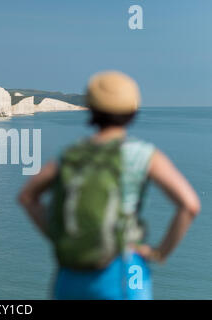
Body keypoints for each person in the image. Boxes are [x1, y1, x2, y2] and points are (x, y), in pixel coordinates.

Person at [18, 71, 201, 300]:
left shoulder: (70, 155)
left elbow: (27, 197)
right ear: (133, 111)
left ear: (92, 110)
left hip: (70, 275)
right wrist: (159, 253)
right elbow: (190, 206)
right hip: (124, 270)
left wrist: (58, 235)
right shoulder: (143, 154)